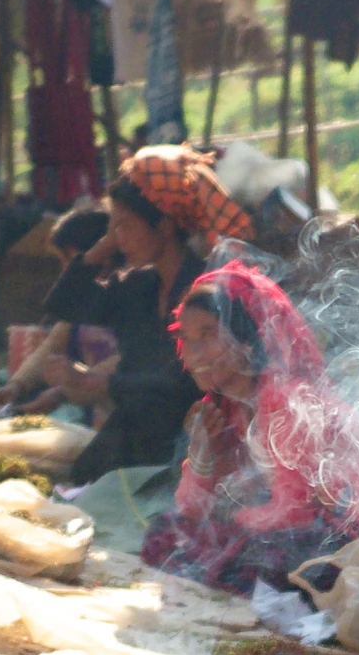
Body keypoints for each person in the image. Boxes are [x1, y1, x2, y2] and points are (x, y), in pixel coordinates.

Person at [140, 260, 359, 591]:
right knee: (167, 531)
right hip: (289, 531)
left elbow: (292, 514)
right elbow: (191, 508)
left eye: (207, 334)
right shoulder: (230, 409)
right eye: (186, 338)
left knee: (263, 556)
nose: (192, 352)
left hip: (352, 534)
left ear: (247, 340)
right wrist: (201, 453)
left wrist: (229, 516)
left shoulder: (288, 400)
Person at [43, 146, 253, 484]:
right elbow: (64, 305)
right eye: (114, 229)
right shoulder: (137, 287)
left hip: (192, 439)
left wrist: (102, 383)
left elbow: (182, 384)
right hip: (134, 431)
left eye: (126, 227)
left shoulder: (205, 290)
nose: (119, 239)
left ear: (165, 227)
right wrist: (104, 244)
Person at [0, 209, 120, 420]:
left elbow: (126, 362)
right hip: (74, 404)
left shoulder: (129, 296)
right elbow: (50, 348)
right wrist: (16, 386)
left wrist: (63, 391)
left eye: (69, 261)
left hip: (111, 412)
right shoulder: (77, 301)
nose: (66, 271)